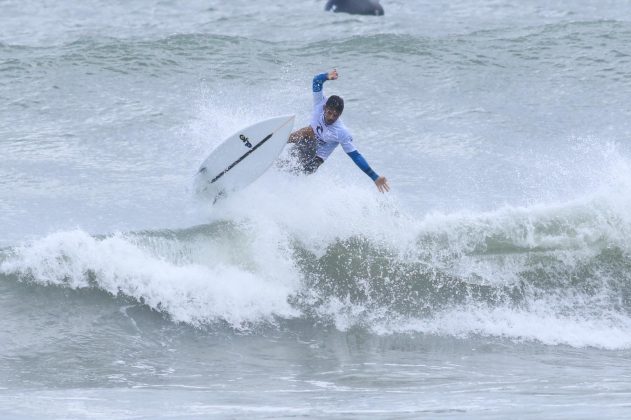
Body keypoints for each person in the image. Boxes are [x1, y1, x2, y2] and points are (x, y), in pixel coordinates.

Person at [288, 69, 390, 193]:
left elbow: (356, 156)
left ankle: (284, 164)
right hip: (304, 145)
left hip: (313, 162)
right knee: (307, 134)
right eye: (329, 112)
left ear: (340, 114)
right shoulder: (319, 104)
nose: (331, 117)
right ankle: (277, 143)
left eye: (335, 115)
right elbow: (316, 82)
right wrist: (326, 76)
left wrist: (375, 177)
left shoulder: (341, 132)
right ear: (325, 108)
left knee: (308, 137)